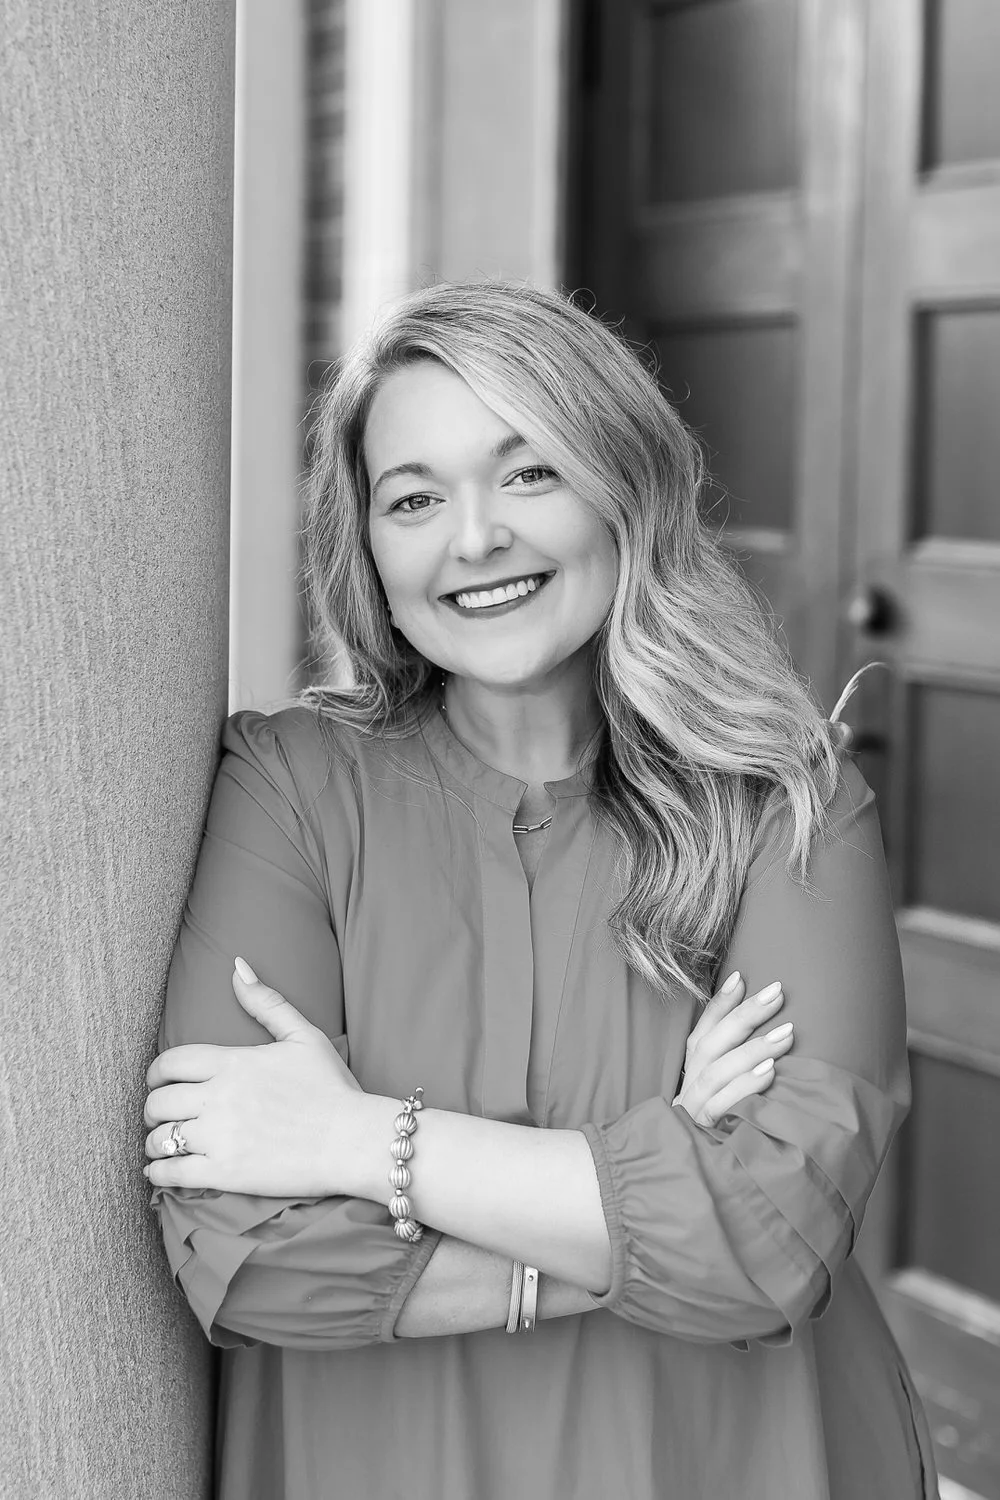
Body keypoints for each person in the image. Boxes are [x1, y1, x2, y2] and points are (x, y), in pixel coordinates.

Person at [144, 281, 937, 1499]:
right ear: (365, 548)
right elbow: (251, 1261)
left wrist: (360, 1141)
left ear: (622, 488)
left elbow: (771, 1245)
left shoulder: (785, 799)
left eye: (527, 474)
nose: (473, 539)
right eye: (413, 499)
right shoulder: (286, 789)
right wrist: (653, 1174)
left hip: (738, 1459)